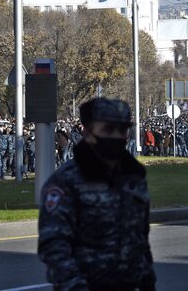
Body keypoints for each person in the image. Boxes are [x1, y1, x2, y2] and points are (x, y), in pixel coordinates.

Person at [38, 97, 155, 291]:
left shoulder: (133, 177)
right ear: (88, 132)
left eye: (122, 130)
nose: (117, 136)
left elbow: (140, 239)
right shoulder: (66, 181)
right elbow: (54, 248)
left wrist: (148, 282)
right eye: (108, 130)